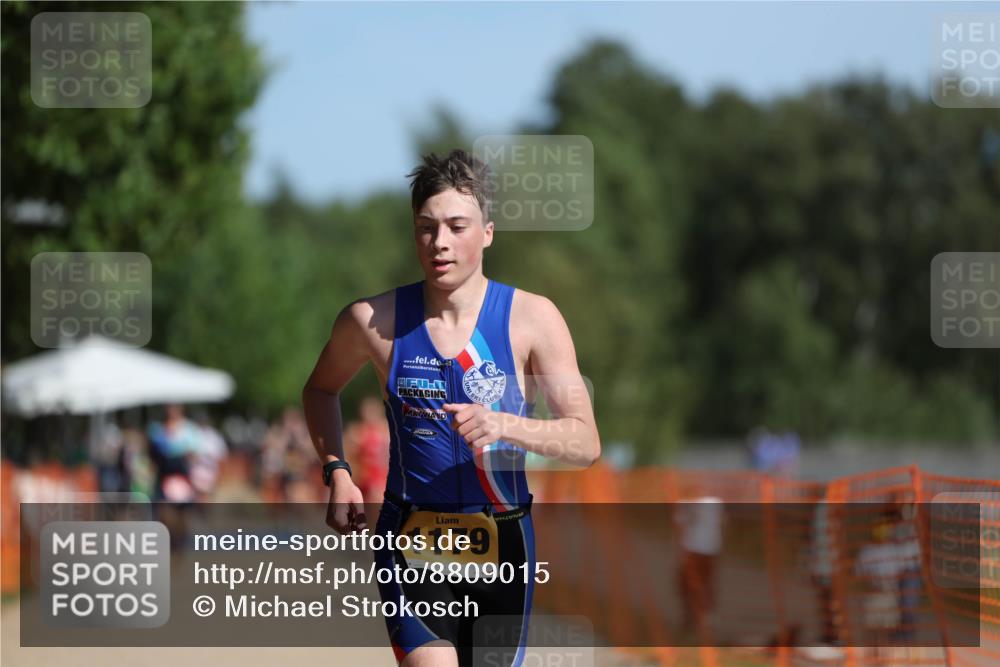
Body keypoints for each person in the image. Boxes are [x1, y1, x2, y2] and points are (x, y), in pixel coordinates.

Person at [302, 149, 600, 667]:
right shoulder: (374, 320)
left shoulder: (531, 319)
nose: (439, 242)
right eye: (425, 227)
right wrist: (338, 471)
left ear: (487, 231)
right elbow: (320, 389)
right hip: (411, 537)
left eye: (456, 226)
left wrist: (505, 424)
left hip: (503, 539)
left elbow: (585, 442)